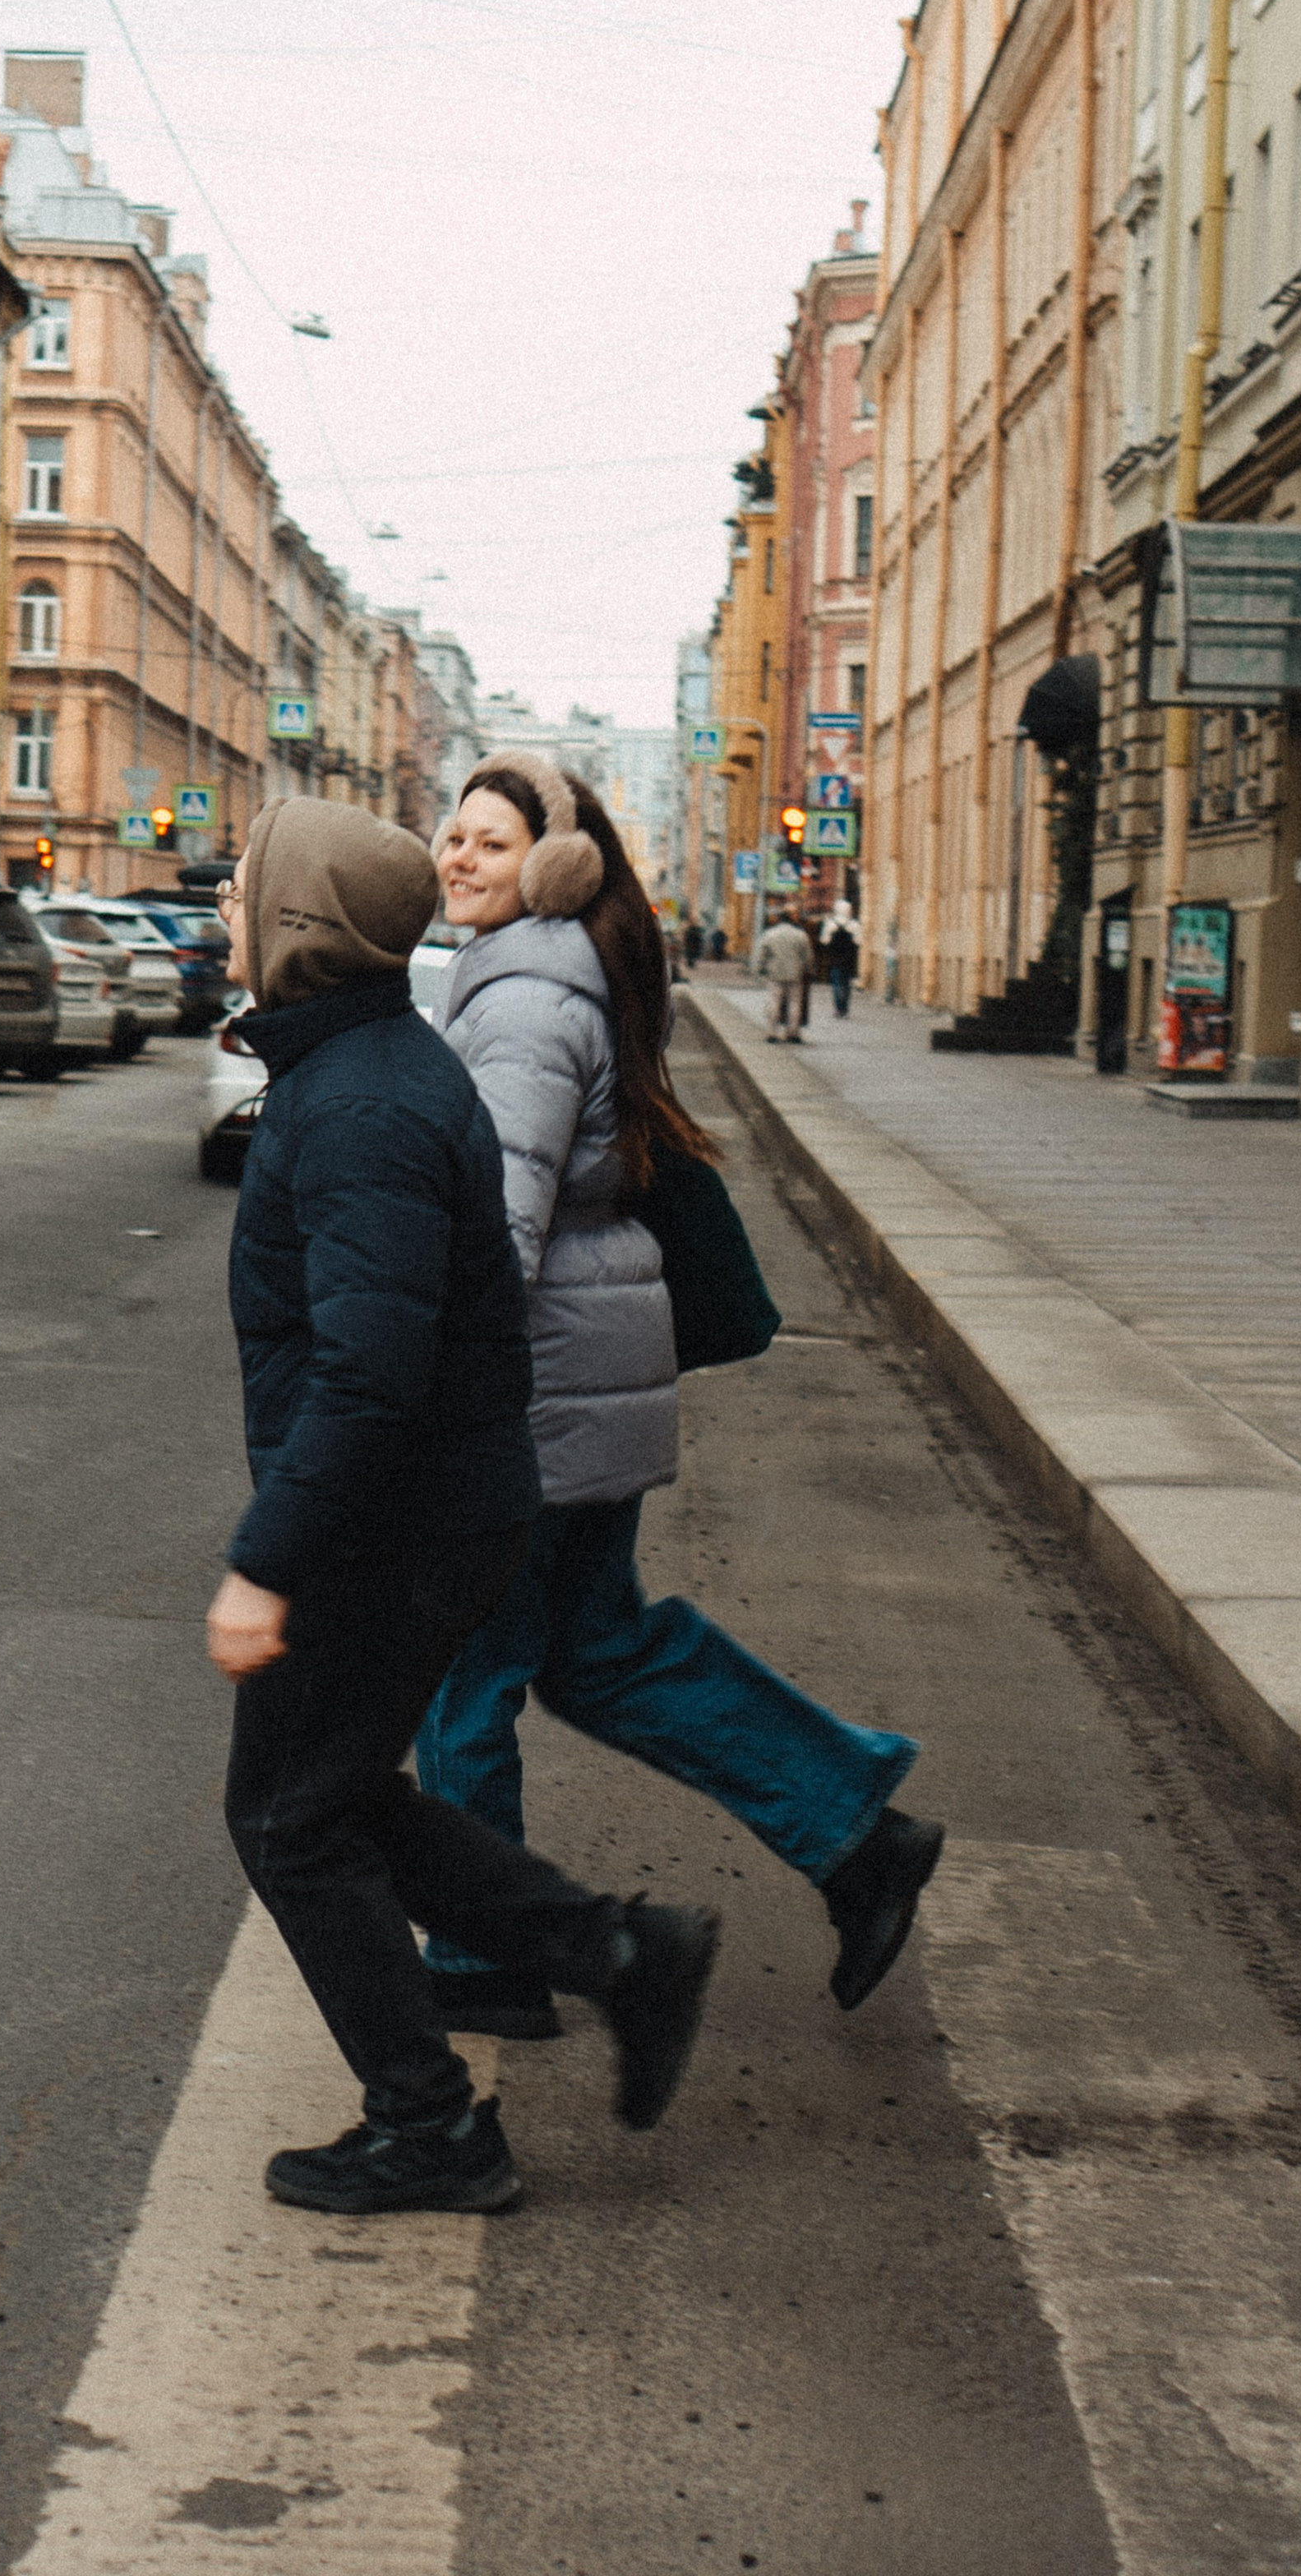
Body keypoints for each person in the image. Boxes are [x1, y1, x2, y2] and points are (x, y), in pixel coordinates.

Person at [205, 796, 721, 2217]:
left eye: (242, 889)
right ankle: (620, 1953)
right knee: (338, 1798)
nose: (221, 910)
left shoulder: (365, 1101)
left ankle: (434, 2123)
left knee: (291, 1821)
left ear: (302, 929)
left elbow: (371, 1377)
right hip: (429, 1511)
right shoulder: (359, 1068)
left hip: (399, 1521)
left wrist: (267, 1561)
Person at [414, 752, 943, 2040]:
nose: (458, 856)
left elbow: (500, 1226)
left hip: (533, 1401)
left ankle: (494, 1957)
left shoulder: (528, 1001)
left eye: (491, 841)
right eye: (454, 833)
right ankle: (854, 1828)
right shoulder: (547, 977)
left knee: (462, 1682)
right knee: (601, 1655)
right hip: (583, 1386)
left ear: (552, 864)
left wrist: (424, 1389)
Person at [757, 903, 813, 1041]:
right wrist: (809, 970)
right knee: (794, 1003)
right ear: (791, 920)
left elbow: (763, 954)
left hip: (775, 973)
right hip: (795, 974)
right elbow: (807, 956)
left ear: (779, 920)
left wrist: (761, 968)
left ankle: (772, 1033)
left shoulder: (770, 934)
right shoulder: (800, 935)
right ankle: (792, 1033)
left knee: (774, 1002)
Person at [820, 903, 860, 1018]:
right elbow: (858, 942)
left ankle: (838, 1009)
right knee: (847, 984)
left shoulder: (830, 924)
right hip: (849, 959)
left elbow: (824, 941)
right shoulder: (854, 924)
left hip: (835, 959)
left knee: (837, 984)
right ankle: (845, 1009)